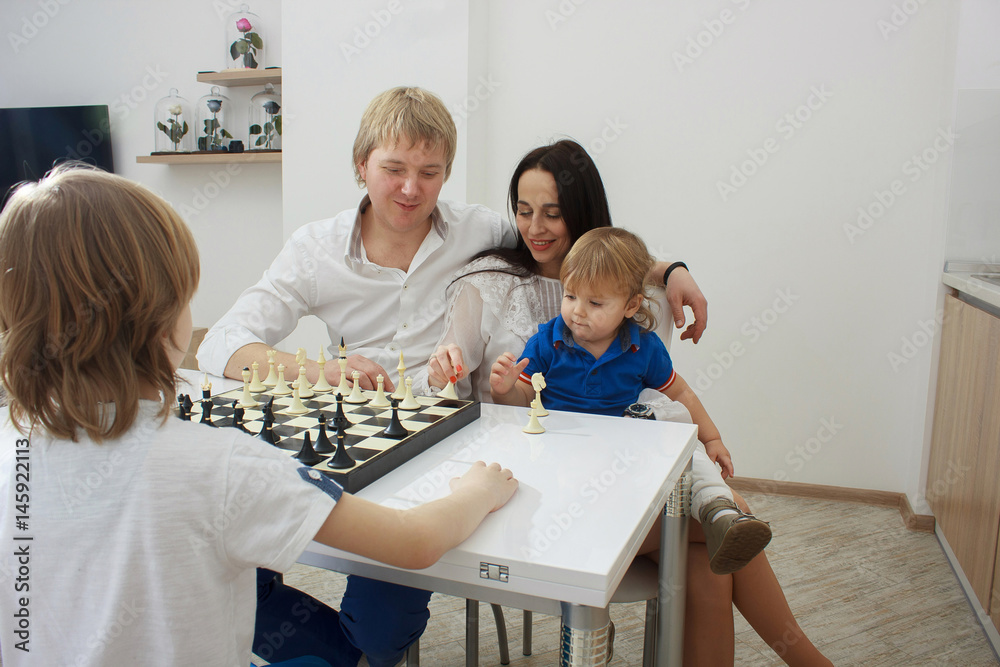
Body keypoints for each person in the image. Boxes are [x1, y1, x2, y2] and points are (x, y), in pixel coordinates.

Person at [197, 87, 709, 665]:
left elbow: (577, 245)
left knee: (381, 630)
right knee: (224, 553)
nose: (411, 189)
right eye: (393, 169)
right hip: (347, 433)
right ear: (361, 164)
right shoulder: (315, 248)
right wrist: (321, 370)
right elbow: (220, 344)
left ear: (446, 174)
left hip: (440, 445)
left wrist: (670, 269)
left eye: (430, 172)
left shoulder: (479, 230)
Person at [0, 165, 517, 667]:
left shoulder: (10, 449)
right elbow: (413, 541)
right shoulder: (221, 465)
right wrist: (478, 492)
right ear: (162, 319)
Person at [423, 141, 833, 665]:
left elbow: (672, 385)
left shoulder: (623, 297)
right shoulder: (498, 286)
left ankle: (792, 635)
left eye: (552, 213)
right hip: (539, 484)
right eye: (523, 211)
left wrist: (673, 269)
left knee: (710, 563)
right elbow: (469, 379)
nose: (534, 227)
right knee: (715, 533)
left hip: (615, 471)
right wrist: (472, 375)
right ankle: (804, 653)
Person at [490, 226, 772, 575]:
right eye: (570, 296)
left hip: (623, 462)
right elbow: (521, 402)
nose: (577, 311)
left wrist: (711, 438)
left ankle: (720, 512)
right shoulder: (547, 342)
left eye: (595, 303)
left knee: (687, 448)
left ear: (631, 305)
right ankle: (720, 515)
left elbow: (681, 394)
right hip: (562, 462)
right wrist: (503, 389)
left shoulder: (644, 347)